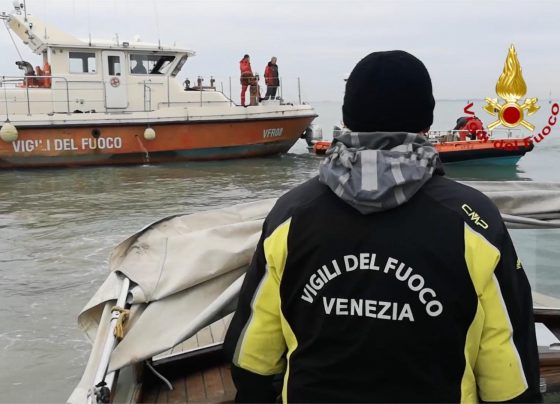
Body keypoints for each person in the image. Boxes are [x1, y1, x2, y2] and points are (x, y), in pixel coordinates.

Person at [224, 50, 541, 403]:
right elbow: (509, 376)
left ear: (347, 118)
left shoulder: (291, 215)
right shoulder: (473, 221)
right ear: (426, 121)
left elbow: (252, 359)